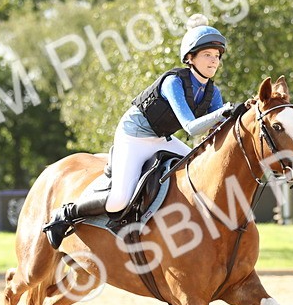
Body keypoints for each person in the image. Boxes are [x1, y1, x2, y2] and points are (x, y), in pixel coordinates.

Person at [42, 14, 248, 248]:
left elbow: (212, 133)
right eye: (208, 55)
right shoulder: (174, 82)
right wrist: (223, 113)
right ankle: (66, 214)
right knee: (118, 200)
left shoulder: (213, 93)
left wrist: (240, 117)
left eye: (217, 57)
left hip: (161, 139)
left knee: (196, 171)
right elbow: (191, 128)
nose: (214, 61)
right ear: (190, 58)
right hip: (134, 136)